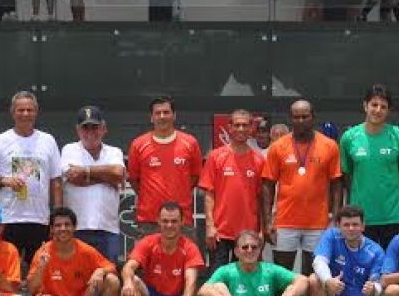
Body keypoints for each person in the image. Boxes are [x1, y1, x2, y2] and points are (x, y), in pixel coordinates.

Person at [59, 105, 125, 296]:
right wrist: (103, 176)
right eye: (85, 128)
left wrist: (87, 172)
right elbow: (72, 177)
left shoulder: (114, 151)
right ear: (78, 130)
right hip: (77, 229)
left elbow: (118, 174)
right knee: (74, 282)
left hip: (107, 228)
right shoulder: (69, 150)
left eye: (95, 127)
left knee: (109, 278)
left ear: (103, 129)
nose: (90, 132)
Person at [0, 91, 64, 269]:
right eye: (21, 110)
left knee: (40, 272)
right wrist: (5, 181)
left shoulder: (48, 140)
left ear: (36, 112)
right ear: (12, 112)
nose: (25, 114)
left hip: (40, 219)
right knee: (7, 271)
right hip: (8, 219)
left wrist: (56, 217)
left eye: (29, 110)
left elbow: (56, 182)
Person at [262, 99, 342, 273]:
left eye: (305, 116)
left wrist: (335, 219)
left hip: (318, 223)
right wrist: (268, 221)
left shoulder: (329, 146)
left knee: (313, 276)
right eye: (296, 117)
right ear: (290, 118)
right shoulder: (278, 147)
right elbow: (268, 185)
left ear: (313, 117)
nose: (300, 121)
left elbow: (337, 185)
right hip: (285, 221)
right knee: (282, 275)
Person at [28, 207, 121, 296]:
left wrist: (100, 271)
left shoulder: (86, 250)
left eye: (67, 224)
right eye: (58, 225)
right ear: (51, 229)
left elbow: (111, 266)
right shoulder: (42, 252)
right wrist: (41, 267)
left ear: (75, 227)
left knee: (112, 280)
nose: (63, 228)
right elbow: (32, 288)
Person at [339, 84, 399, 249]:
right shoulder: (349, 138)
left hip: (394, 217)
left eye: (383, 107)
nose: (378, 110)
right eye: (374, 105)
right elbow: (347, 177)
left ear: (389, 110)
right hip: (360, 219)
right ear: (365, 105)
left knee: (393, 270)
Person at [121, 202, 204, 296]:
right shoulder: (148, 242)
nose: (169, 225)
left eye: (174, 221)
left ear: (182, 222)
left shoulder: (190, 247)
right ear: (158, 221)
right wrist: (127, 282)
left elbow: (191, 280)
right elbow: (128, 267)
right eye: (165, 221)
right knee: (130, 285)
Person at [306, 205, 389, 296]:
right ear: (339, 225)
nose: (351, 228)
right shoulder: (331, 235)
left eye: (355, 224)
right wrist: (328, 280)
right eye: (346, 225)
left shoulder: (375, 250)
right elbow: (319, 261)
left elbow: (378, 282)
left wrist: (374, 289)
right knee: (314, 280)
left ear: (363, 226)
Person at [199, 109, 267, 270]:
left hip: (248, 234)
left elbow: (262, 199)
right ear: (229, 127)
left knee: (244, 281)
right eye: (237, 125)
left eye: (245, 125)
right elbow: (209, 193)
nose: (241, 129)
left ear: (252, 128)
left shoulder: (259, 160)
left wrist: (262, 230)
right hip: (220, 232)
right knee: (218, 280)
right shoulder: (216, 156)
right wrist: (210, 225)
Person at [127, 96, 202, 238]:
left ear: (174, 116)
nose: (162, 117)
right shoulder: (138, 144)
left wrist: (179, 191)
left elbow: (195, 177)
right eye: (158, 113)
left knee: (187, 260)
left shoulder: (190, 143)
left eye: (166, 112)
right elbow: (134, 179)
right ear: (151, 117)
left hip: (182, 220)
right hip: (149, 220)